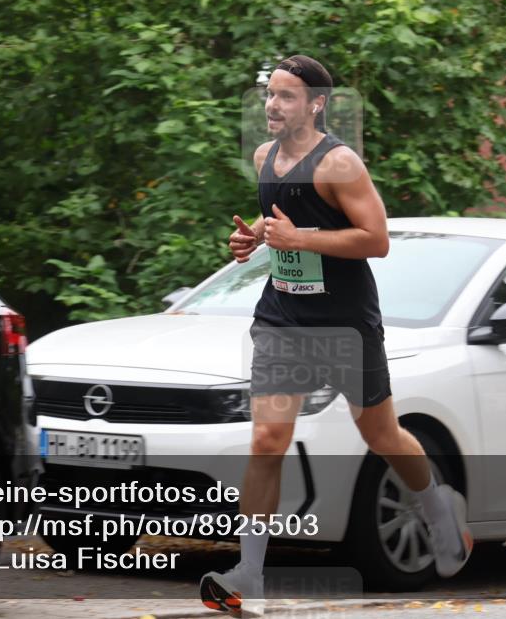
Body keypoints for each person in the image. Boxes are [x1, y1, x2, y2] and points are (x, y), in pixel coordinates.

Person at [199, 55, 473, 618]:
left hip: (345, 321)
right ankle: (249, 573)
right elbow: (283, 223)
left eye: (287, 97)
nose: (273, 106)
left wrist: (301, 239)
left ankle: (439, 507)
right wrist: (254, 240)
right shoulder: (264, 157)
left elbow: (376, 240)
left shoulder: (340, 163)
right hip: (281, 318)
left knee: (382, 434)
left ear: (316, 104)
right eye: (270, 95)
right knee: (266, 441)